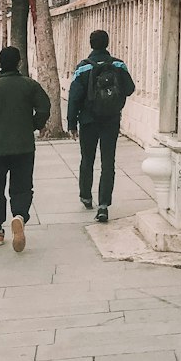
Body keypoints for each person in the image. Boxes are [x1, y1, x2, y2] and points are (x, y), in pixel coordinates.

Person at [0, 45, 50, 251]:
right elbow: (44, 106)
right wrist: (34, 124)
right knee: (22, 186)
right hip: (23, 145)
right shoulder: (30, 85)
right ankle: (19, 216)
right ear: (19, 63)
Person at [67, 29, 135, 223]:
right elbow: (130, 89)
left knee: (87, 159)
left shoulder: (82, 68)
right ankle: (104, 204)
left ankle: (86, 196)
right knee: (108, 161)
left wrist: (72, 123)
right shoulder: (118, 64)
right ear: (107, 43)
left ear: (91, 44)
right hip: (111, 120)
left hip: (88, 121)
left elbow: (74, 97)